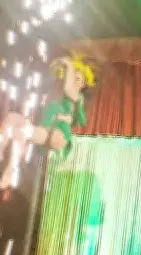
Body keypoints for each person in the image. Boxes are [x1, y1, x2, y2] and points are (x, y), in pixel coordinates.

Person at [0, 53, 96, 188]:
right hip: (46, 130)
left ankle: (11, 170)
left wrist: (68, 64)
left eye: (78, 79)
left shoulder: (77, 97)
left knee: (23, 132)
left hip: (59, 133)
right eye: (72, 77)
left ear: (83, 84)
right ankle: (7, 160)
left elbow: (68, 89)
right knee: (13, 120)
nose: (73, 80)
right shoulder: (58, 98)